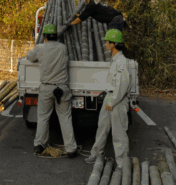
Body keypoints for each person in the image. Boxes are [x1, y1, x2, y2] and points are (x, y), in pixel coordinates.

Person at [26, 24, 78, 158]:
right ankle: (71, 149)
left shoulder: (40, 48)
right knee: (65, 117)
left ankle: (39, 145)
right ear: (56, 36)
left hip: (47, 88)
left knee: (43, 117)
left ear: (45, 36)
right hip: (62, 88)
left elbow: (29, 57)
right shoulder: (63, 48)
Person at [85, 29, 131, 168]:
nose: (105, 44)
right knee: (102, 127)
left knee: (119, 133)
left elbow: (122, 84)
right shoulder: (115, 60)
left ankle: (122, 164)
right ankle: (96, 153)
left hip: (117, 101)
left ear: (113, 44)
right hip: (110, 97)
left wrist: (112, 101)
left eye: (107, 42)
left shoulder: (122, 62)